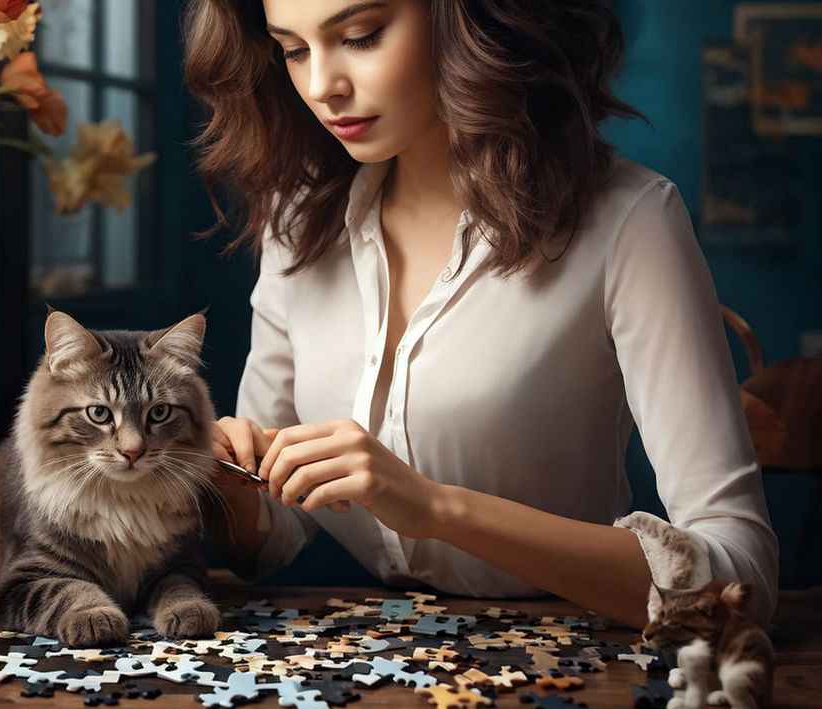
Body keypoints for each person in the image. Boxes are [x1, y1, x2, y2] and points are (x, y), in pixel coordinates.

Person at [183, 0, 779, 629]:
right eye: (294, 50)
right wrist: (227, 479)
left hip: (573, 649)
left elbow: (742, 582)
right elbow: (266, 540)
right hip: (374, 648)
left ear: (461, 20)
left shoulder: (629, 220)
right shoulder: (298, 221)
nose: (320, 85)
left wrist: (438, 509)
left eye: (360, 36)